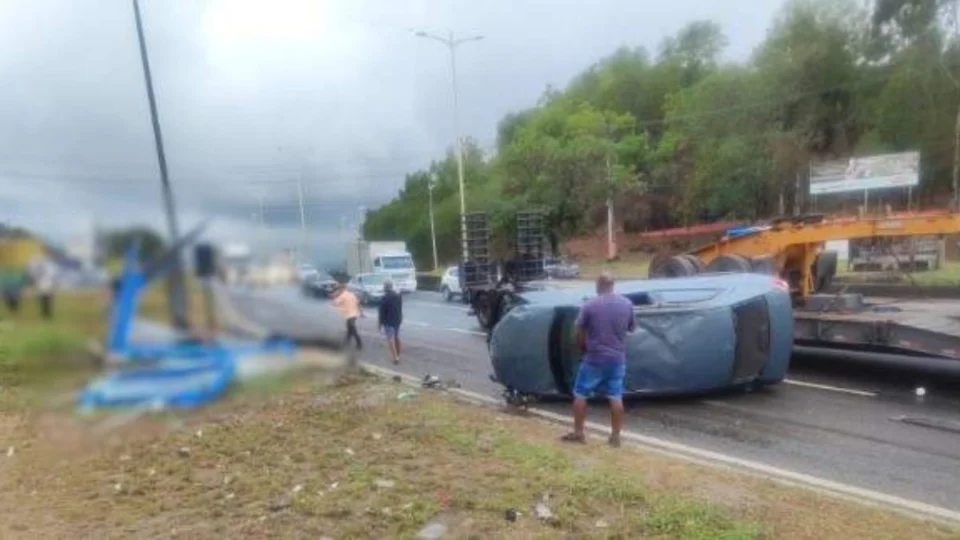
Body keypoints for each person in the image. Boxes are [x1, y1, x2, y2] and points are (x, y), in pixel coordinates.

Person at [560, 272, 635, 448]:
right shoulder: (627, 304)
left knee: (581, 393)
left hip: (594, 358)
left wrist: (583, 349)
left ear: (598, 285)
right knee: (616, 396)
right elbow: (631, 328)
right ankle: (615, 437)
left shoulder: (589, 305)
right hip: (617, 359)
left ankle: (579, 433)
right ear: (612, 285)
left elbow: (579, 332)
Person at [378, 279, 403, 364]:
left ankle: (396, 358)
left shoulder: (384, 298)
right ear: (392, 287)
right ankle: (398, 354)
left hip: (388, 321)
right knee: (397, 337)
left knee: (390, 339)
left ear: (385, 288)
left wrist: (379, 324)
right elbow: (400, 308)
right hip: (397, 319)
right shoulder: (398, 296)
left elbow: (381, 313)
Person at [332, 284, 363, 351]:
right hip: (354, 314)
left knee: (353, 330)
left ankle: (359, 343)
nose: (338, 291)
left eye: (339, 290)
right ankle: (347, 342)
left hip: (349, 315)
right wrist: (361, 312)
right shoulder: (352, 294)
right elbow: (358, 303)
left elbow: (334, 303)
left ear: (341, 289)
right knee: (349, 329)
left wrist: (334, 296)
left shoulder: (343, 295)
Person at [28, 255, 58, 320]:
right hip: (42, 283)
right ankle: (45, 314)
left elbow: (52, 274)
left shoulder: (47, 265)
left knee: (47, 299)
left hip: (46, 283)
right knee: (44, 299)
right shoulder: (38, 265)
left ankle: (47, 314)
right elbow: (33, 273)